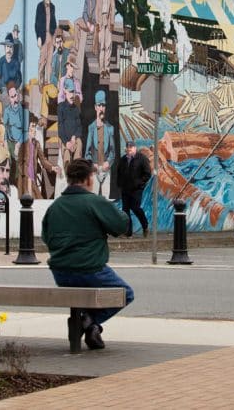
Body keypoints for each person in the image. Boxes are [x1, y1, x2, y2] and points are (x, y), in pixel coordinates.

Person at [41, 158, 133, 350]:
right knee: (126, 293)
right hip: (90, 270)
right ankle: (88, 321)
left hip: (61, 272)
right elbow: (121, 225)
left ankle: (92, 328)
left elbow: (46, 237)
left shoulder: (55, 207)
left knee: (82, 296)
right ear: (89, 178)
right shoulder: (94, 202)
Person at [85, 90, 116, 199]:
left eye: (103, 106)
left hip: (106, 170)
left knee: (105, 201)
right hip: (94, 170)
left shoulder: (110, 128)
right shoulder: (91, 128)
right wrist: (93, 164)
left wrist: (108, 162)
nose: (101, 108)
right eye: (99, 105)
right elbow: (87, 153)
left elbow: (113, 152)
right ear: (95, 107)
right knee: (93, 200)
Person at [117, 141, 151, 237]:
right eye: (128, 148)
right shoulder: (123, 159)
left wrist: (140, 183)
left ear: (135, 148)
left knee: (135, 207)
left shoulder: (142, 158)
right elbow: (119, 172)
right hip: (125, 189)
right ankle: (128, 232)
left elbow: (147, 173)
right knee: (125, 210)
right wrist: (120, 184)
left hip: (136, 189)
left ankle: (145, 226)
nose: (129, 149)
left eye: (131, 148)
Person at [57, 53, 83, 170]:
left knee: (78, 142)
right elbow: (60, 98)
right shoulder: (62, 80)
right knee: (65, 146)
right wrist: (67, 98)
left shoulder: (76, 81)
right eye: (70, 66)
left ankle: (77, 164)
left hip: (74, 109)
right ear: (67, 66)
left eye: (73, 67)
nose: (72, 69)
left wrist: (75, 95)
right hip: (64, 109)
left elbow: (80, 96)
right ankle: (67, 164)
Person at [19, 116, 56, 198]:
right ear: (27, 129)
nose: (34, 130)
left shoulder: (36, 144)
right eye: (32, 127)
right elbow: (19, 164)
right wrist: (26, 176)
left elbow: (43, 160)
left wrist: (52, 167)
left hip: (33, 179)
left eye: (35, 127)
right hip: (26, 180)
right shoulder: (23, 145)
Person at [74, 0, 99, 70]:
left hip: (95, 23)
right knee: (76, 22)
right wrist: (87, 23)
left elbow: (98, 11)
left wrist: (93, 23)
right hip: (87, 22)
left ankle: (94, 51)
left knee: (97, 28)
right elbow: (84, 11)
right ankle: (75, 50)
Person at [34, 0, 57, 84]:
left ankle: (47, 81)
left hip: (51, 36)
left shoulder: (53, 7)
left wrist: (55, 38)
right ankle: (40, 81)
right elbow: (37, 23)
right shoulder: (39, 6)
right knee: (42, 60)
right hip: (43, 36)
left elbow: (54, 23)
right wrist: (38, 37)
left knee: (50, 60)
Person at [95, 0, 116, 80]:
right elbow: (97, 9)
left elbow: (112, 10)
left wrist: (112, 23)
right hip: (101, 20)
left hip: (108, 20)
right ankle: (101, 69)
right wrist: (97, 23)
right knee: (101, 46)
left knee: (108, 46)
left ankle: (107, 69)